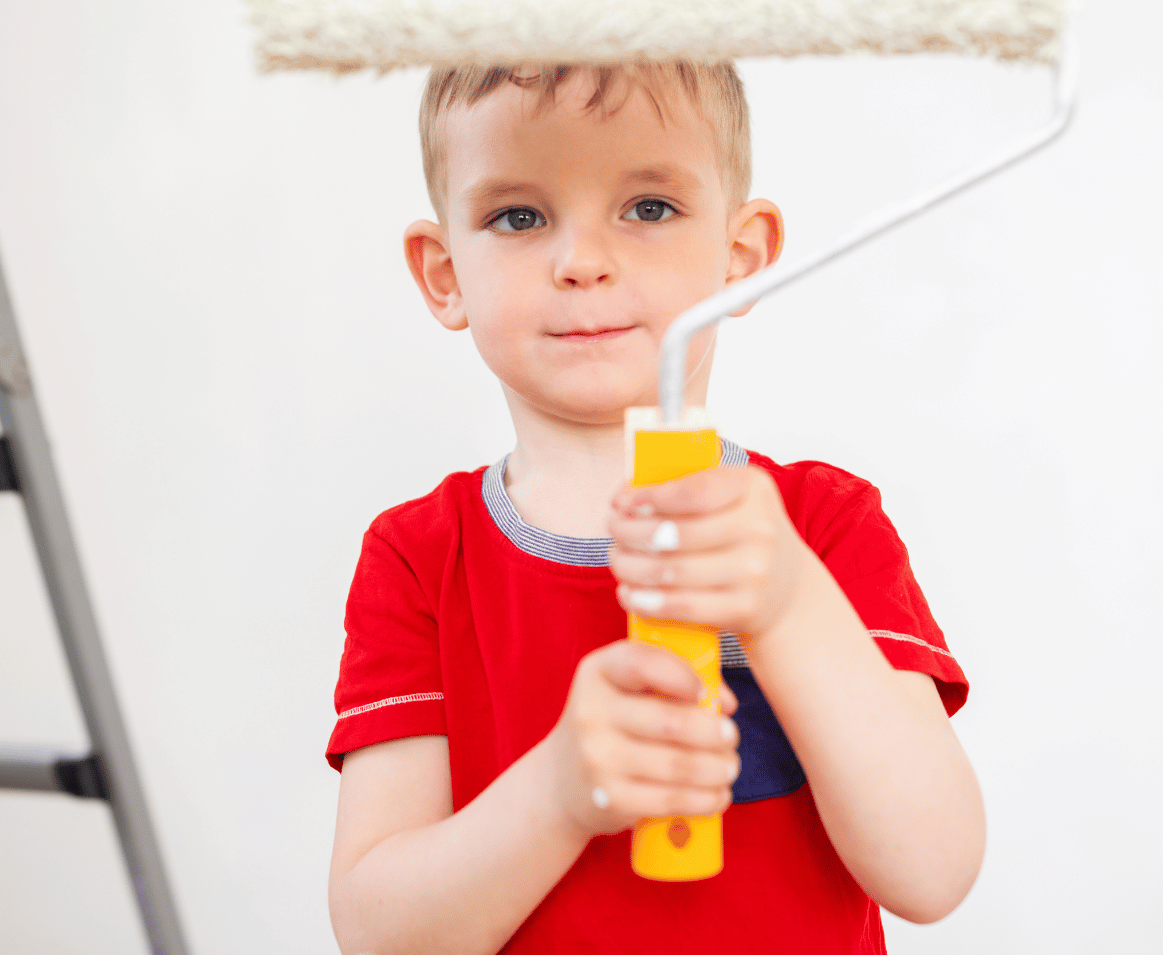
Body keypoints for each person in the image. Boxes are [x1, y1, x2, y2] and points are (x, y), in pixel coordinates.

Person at [325, 63, 984, 955]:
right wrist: (558, 794)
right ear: (444, 273)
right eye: (518, 217)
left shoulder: (823, 528)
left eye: (648, 207)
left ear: (740, 255)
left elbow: (933, 871)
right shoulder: (418, 559)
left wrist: (788, 604)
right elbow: (380, 937)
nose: (583, 262)